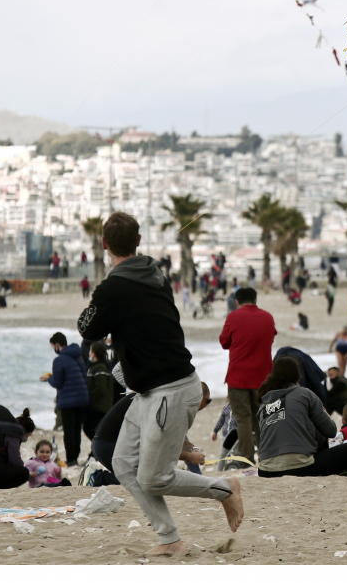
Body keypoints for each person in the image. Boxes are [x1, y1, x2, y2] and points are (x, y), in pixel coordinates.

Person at [77, 211, 242, 556]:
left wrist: (101, 298)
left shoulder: (114, 287)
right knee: (122, 463)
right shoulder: (155, 273)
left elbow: (86, 328)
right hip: (151, 390)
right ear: (138, 241)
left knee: (156, 477)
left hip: (169, 390)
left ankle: (225, 488)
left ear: (104, 244)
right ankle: (170, 540)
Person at [257, 357, 347, 478]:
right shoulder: (304, 394)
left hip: (265, 470)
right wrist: (323, 414)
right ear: (297, 377)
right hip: (300, 466)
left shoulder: (263, 404)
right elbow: (331, 431)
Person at [218, 286, 276, 466]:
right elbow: (271, 337)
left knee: (243, 420)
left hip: (238, 376)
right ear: (255, 299)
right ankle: (266, 458)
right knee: (262, 418)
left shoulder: (233, 316)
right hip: (263, 377)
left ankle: (246, 460)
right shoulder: (267, 317)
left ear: (237, 301)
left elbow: (224, 342)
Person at [41, 332, 88, 466]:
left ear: (57, 345)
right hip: (83, 398)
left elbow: (58, 382)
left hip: (68, 401)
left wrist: (48, 378)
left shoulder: (59, 360)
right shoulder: (78, 356)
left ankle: (71, 459)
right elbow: (84, 377)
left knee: (68, 431)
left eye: (53, 347)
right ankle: (75, 457)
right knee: (77, 430)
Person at [84, 341, 114, 441]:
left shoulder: (100, 367)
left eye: (91, 351)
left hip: (99, 407)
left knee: (89, 428)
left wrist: (89, 399)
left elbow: (100, 389)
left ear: (94, 353)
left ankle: (98, 448)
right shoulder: (95, 367)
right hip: (97, 407)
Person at [211, 397, 238, 471]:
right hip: (226, 434)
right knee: (223, 454)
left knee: (236, 453)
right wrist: (215, 431)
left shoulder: (239, 408)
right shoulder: (225, 409)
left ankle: (235, 467)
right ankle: (218, 471)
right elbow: (221, 420)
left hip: (236, 435)